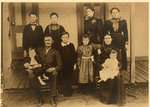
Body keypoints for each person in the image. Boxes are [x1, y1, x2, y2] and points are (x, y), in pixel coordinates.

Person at [28, 35, 62, 107]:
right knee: (31, 76)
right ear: (44, 41)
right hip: (39, 70)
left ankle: (52, 97)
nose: (47, 42)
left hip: (49, 71)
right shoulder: (38, 50)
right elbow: (30, 56)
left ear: (52, 41)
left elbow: (60, 65)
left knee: (55, 74)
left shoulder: (56, 52)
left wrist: (53, 68)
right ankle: (39, 97)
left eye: (49, 40)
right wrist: (27, 66)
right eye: (46, 40)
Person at [97, 34, 125, 106]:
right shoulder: (101, 49)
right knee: (107, 77)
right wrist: (103, 67)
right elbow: (98, 62)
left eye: (108, 38)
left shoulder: (116, 49)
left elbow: (120, 61)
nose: (107, 40)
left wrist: (118, 67)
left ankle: (118, 99)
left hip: (114, 68)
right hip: (105, 68)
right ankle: (108, 99)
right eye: (105, 38)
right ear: (104, 40)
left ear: (111, 39)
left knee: (117, 77)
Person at [59, 32, 76, 97]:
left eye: (66, 37)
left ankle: (69, 91)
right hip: (63, 65)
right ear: (61, 38)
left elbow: (74, 55)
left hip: (70, 65)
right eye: (63, 37)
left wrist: (74, 64)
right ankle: (64, 91)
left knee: (69, 77)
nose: (65, 39)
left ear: (68, 38)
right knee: (63, 78)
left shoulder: (71, 45)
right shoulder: (59, 46)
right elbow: (58, 57)